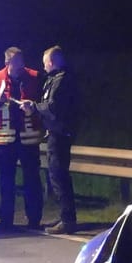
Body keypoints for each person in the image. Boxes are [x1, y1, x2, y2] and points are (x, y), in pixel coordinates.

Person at [0, 46, 45, 230]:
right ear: (7, 62)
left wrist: (33, 106)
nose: (19, 66)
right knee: (6, 181)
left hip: (29, 138)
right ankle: (6, 220)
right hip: (5, 140)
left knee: (32, 180)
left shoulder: (35, 77)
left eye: (21, 61)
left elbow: (45, 102)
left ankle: (34, 220)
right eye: (15, 62)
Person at [37, 45, 81, 234]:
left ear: (51, 62)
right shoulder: (55, 79)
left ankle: (68, 220)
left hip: (60, 135)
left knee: (59, 176)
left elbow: (53, 107)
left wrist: (35, 107)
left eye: (45, 63)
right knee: (57, 176)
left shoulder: (61, 80)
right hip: (56, 133)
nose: (44, 67)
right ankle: (65, 216)